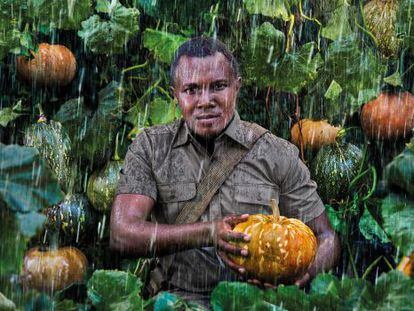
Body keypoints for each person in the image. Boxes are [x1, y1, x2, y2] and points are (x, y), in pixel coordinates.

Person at [110, 36, 340, 309]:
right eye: (192, 90)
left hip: (258, 304)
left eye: (218, 86)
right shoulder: (151, 147)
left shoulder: (277, 153)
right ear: (175, 94)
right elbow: (122, 234)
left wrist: (303, 275)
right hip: (178, 302)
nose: (206, 101)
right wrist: (207, 233)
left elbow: (327, 238)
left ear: (236, 87)